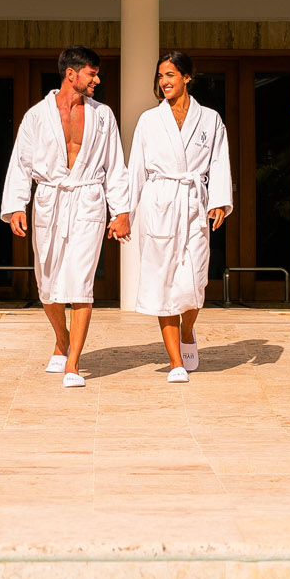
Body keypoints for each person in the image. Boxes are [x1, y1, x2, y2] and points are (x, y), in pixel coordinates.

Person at [1, 48, 121, 387]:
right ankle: (61, 338)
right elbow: (22, 163)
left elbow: (115, 165)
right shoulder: (37, 116)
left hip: (87, 200)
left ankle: (73, 364)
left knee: (82, 282)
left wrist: (121, 211)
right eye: (91, 74)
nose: (97, 80)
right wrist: (15, 206)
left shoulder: (103, 116)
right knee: (49, 285)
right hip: (50, 201)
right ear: (72, 74)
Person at [111, 49, 231, 383]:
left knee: (194, 280)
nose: (164, 82)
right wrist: (124, 213)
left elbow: (220, 161)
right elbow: (135, 170)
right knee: (164, 280)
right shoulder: (149, 121)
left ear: (187, 77)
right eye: (161, 76)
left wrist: (218, 202)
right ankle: (175, 361)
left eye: (171, 75)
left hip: (193, 202)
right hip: (159, 204)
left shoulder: (209, 119)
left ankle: (188, 330)